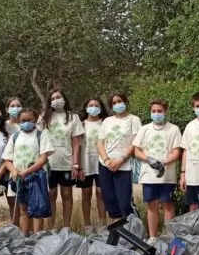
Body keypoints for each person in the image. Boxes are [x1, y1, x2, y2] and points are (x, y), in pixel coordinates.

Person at [133, 98, 182, 239]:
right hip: (148, 174)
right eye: (154, 111)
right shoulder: (144, 129)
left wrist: (164, 162)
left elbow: (176, 152)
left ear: (165, 111)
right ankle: (153, 237)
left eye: (159, 111)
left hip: (167, 174)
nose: (156, 113)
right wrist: (149, 159)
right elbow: (137, 151)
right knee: (152, 205)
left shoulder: (173, 129)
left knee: (167, 205)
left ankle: (169, 236)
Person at [3, 108, 54, 235]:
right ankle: (25, 237)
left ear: (35, 119)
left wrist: (27, 171)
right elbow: (7, 159)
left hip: (36, 177)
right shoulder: (14, 137)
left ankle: (37, 237)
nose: (26, 123)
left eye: (29, 120)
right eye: (23, 120)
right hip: (18, 178)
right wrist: (14, 171)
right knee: (23, 209)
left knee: (37, 208)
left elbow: (43, 158)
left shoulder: (41, 135)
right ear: (19, 121)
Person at [38, 89, 84, 231]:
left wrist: (76, 164)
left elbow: (76, 143)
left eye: (58, 97)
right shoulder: (44, 118)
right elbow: (37, 139)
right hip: (49, 164)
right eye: (53, 98)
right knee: (51, 194)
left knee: (66, 194)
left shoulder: (73, 117)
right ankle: (51, 228)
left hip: (66, 163)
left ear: (64, 98)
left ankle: (66, 227)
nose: (56, 100)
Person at [97, 91, 141, 223]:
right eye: (114, 103)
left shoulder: (134, 119)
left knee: (124, 201)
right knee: (109, 199)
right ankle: (117, 230)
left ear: (125, 102)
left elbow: (135, 143)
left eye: (119, 101)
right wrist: (106, 160)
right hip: (106, 164)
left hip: (124, 165)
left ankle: (132, 227)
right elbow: (100, 142)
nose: (117, 105)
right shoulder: (107, 121)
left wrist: (121, 159)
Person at [78, 98, 108, 235]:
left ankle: (102, 225)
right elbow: (76, 146)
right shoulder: (81, 125)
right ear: (85, 107)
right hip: (85, 164)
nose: (93, 108)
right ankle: (87, 226)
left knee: (101, 193)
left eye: (96, 105)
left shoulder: (105, 123)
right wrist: (78, 166)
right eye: (90, 105)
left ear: (101, 108)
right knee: (86, 194)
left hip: (102, 163)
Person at [3, 97, 24, 223]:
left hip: (23, 168)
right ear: (7, 109)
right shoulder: (3, 126)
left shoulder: (26, 124)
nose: (15, 108)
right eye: (12, 106)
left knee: (24, 205)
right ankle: (15, 229)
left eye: (18, 105)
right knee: (13, 204)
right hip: (6, 169)